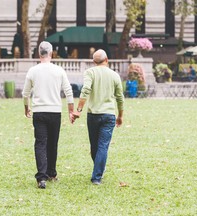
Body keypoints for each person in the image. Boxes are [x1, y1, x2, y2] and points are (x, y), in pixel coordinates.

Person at [22, 41, 75, 189]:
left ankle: (41, 177)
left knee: (40, 143)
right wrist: (71, 110)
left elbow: (25, 93)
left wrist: (26, 108)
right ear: (51, 53)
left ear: (39, 54)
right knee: (53, 143)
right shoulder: (59, 70)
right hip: (55, 111)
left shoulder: (33, 71)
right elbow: (68, 91)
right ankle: (52, 173)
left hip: (39, 111)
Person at [73, 49, 124, 185]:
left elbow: (85, 90)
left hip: (93, 114)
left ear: (94, 62)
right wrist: (120, 115)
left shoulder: (90, 73)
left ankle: (97, 174)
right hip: (109, 115)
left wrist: (79, 110)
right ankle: (98, 173)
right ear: (107, 59)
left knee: (95, 146)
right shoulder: (114, 75)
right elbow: (120, 98)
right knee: (102, 146)